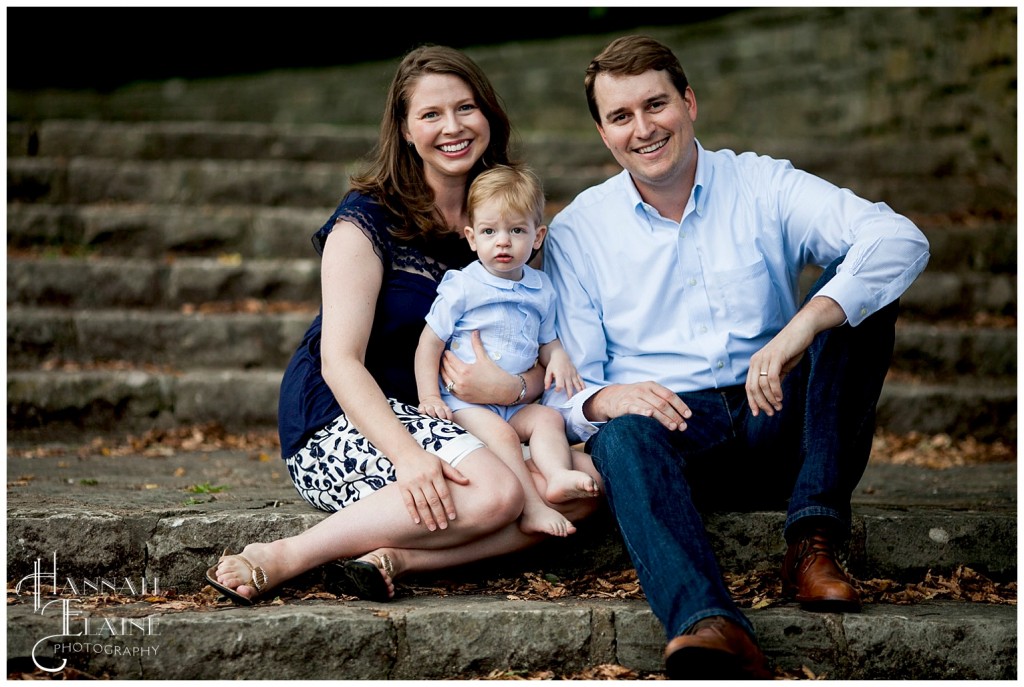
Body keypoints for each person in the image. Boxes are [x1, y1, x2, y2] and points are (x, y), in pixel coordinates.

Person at [541, 35, 930, 679]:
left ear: (689, 102)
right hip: (674, 441)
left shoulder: (762, 183)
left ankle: (812, 542)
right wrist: (606, 398)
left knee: (860, 305)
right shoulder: (581, 230)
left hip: (776, 414)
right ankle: (711, 624)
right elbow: (567, 390)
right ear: (603, 133)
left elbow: (897, 238)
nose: (643, 129)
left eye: (656, 104)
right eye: (620, 116)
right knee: (619, 438)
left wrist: (801, 326)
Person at [205, 44, 602, 606]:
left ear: (488, 114)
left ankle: (398, 558)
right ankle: (289, 554)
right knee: (496, 494)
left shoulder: (502, 221)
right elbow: (338, 361)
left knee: (588, 483)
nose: (453, 127)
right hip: (347, 421)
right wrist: (409, 458)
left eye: (466, 108)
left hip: (458, 416)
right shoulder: (365, 221)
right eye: (431, 115)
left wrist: (515, 388)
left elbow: (526, 347)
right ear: (405, 129)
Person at [415, 164, 600, 539]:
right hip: (467, 404)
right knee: (500, 436)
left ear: (537, 236)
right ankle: (531, 506)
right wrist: (429, 396)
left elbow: (547, 341)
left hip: (515, 404)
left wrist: (559, 357)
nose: (503, 241)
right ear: (471, 237)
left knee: (547, 420)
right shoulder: (464, 286)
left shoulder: (541, 288)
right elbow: (429, 343)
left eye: (516, 230)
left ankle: (557, 474)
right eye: (489, 231)